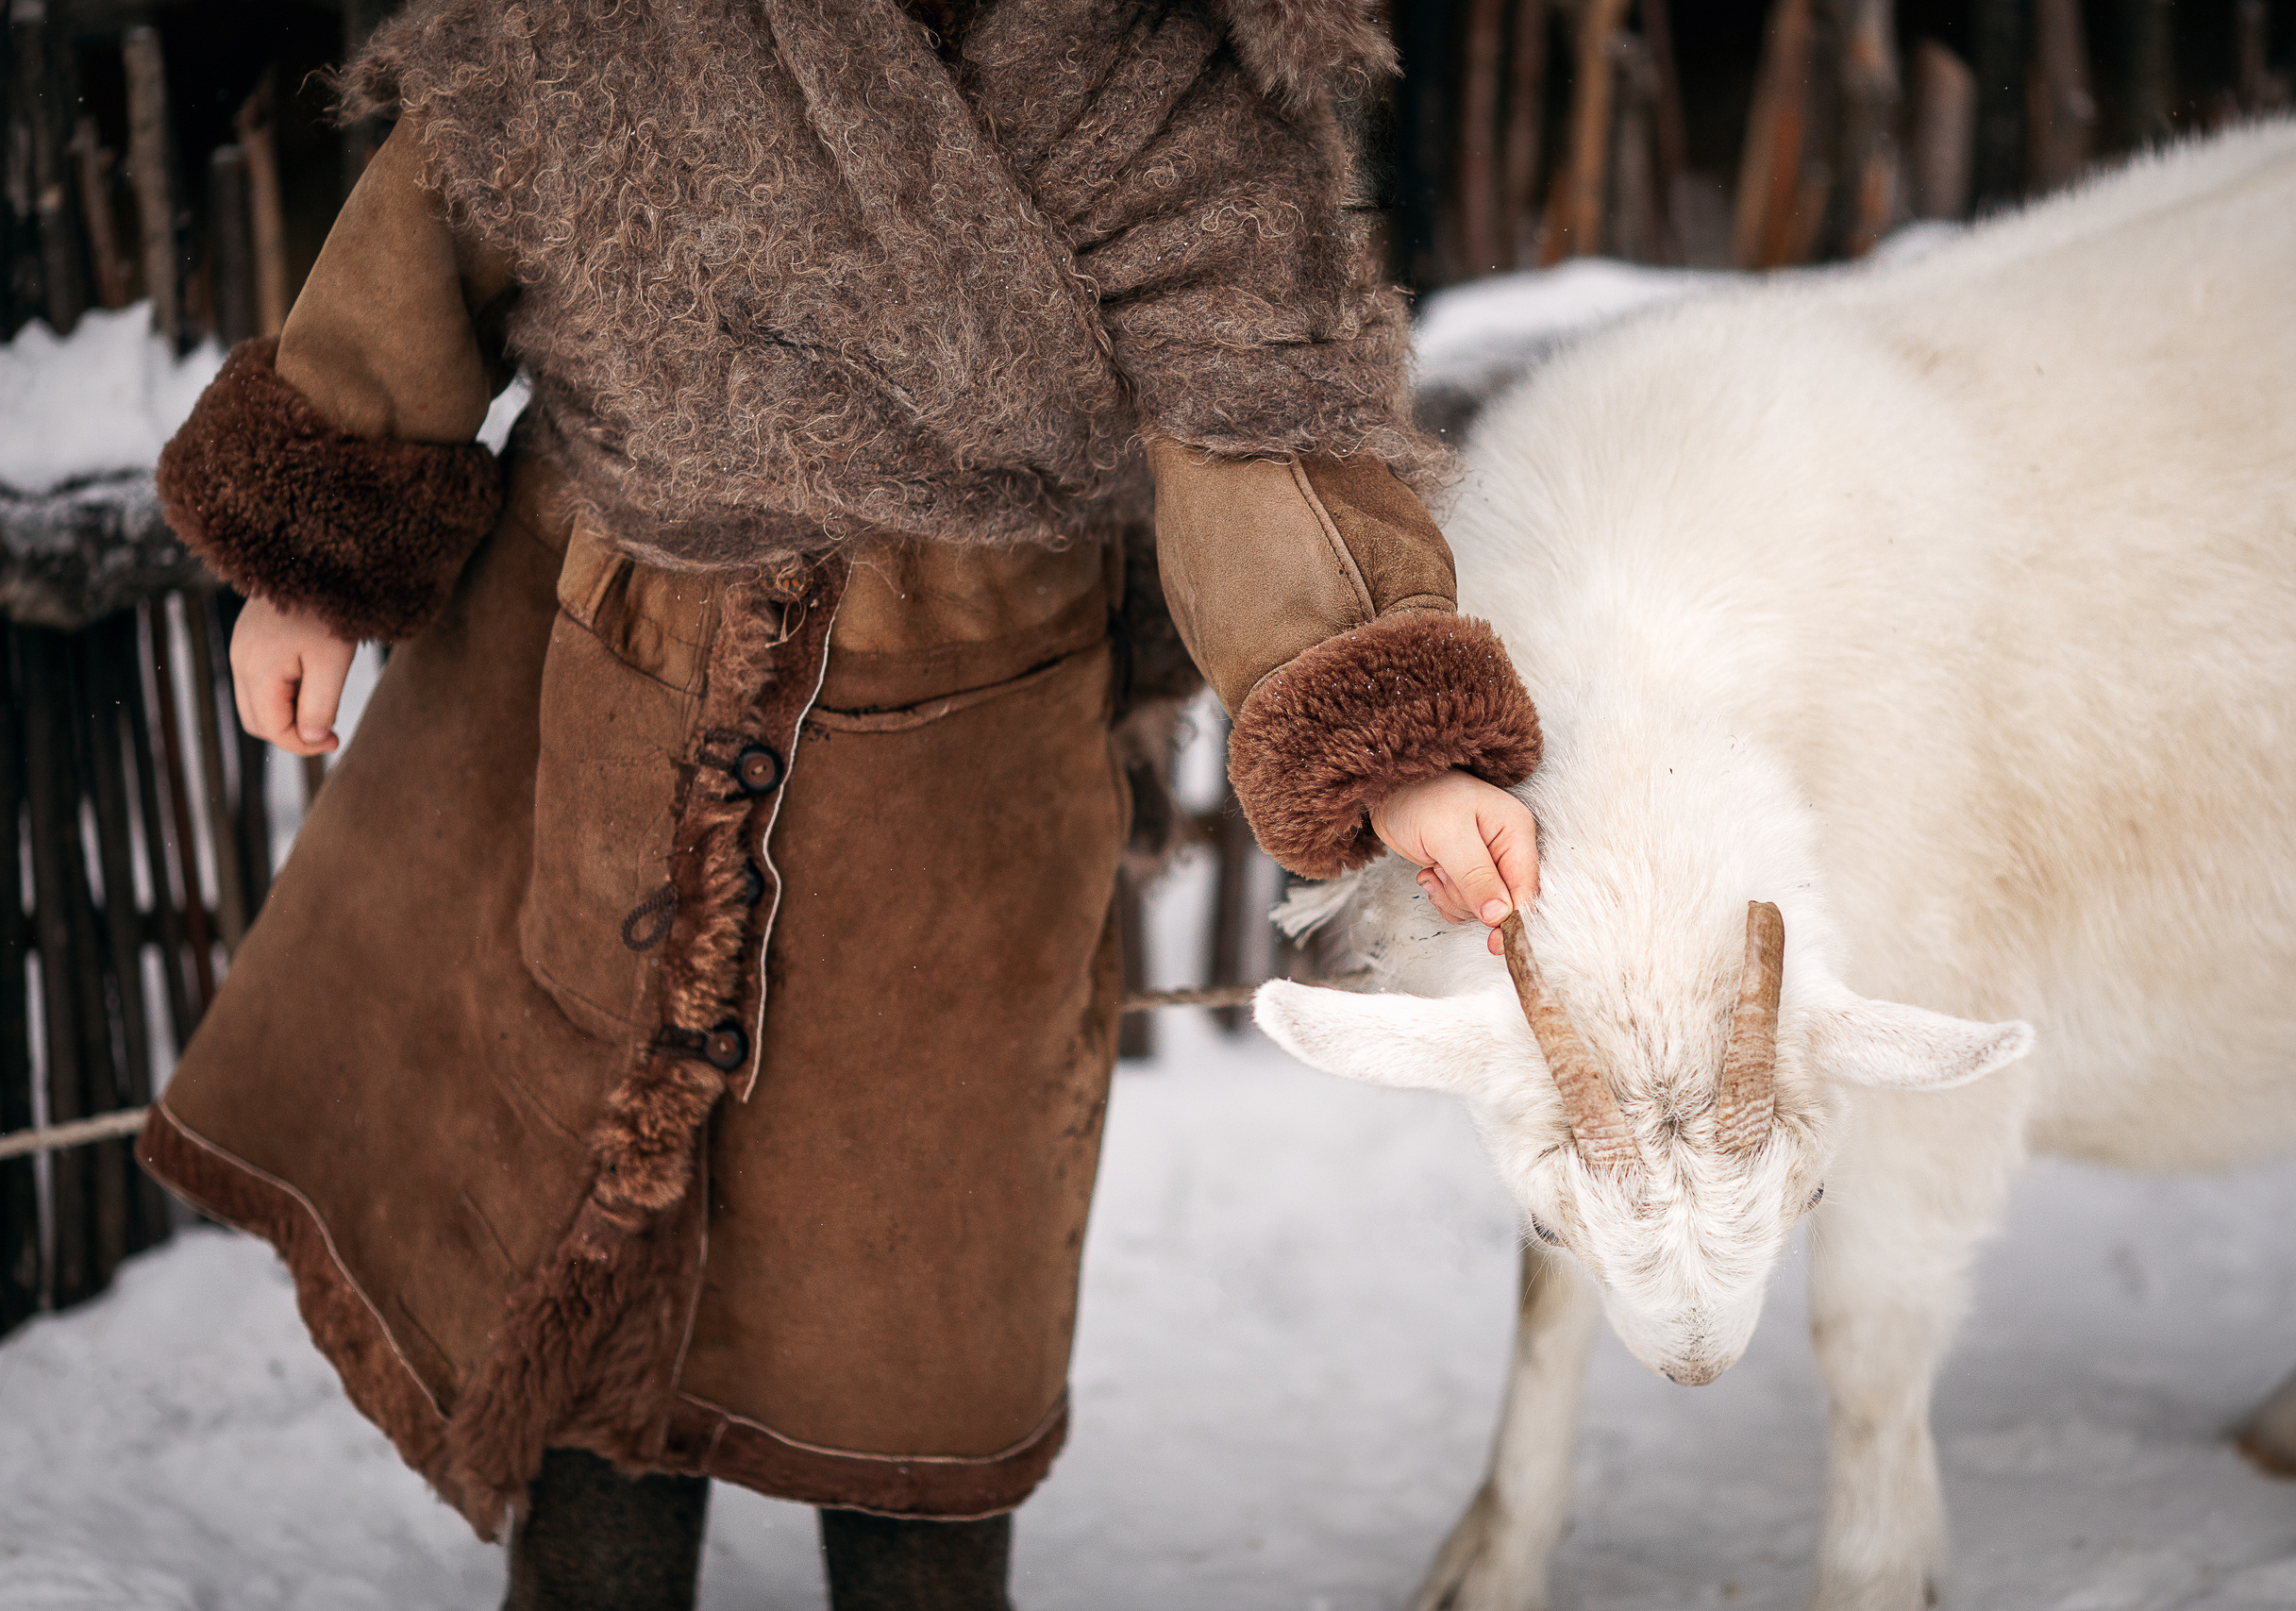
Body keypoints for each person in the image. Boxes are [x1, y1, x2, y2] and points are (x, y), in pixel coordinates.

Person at [139, 0, 1542, 1605]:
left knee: (923, 1287)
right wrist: (317, 547)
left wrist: (1386, 724)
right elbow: (440, 211)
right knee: (597, 1248)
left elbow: (1256, 426)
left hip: (960, 785)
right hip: (623, 686)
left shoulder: (1157, 83)